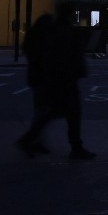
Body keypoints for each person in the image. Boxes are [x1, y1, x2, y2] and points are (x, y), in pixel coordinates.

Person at [15, 13, 96, 159]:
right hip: (50, 82)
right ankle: (31, 140)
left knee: (47, 113)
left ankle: (33, 140)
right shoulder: (47, 40)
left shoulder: (36, 38)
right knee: (58, 113)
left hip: (43, 81)